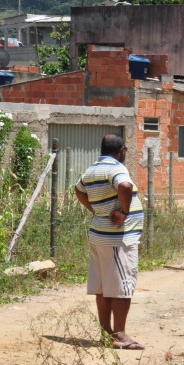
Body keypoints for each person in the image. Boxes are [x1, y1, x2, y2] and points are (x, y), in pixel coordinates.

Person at [74, 133, 145, 349]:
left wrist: (96, 210)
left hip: (100, 235)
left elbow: (78, 189)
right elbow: (124, 186)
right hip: (117, 240)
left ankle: (106, 333)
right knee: (122, 287)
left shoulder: (92, 169)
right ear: (122, 150)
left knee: (104, 287)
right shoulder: (116, 168)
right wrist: (123, 211)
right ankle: (120, 335)